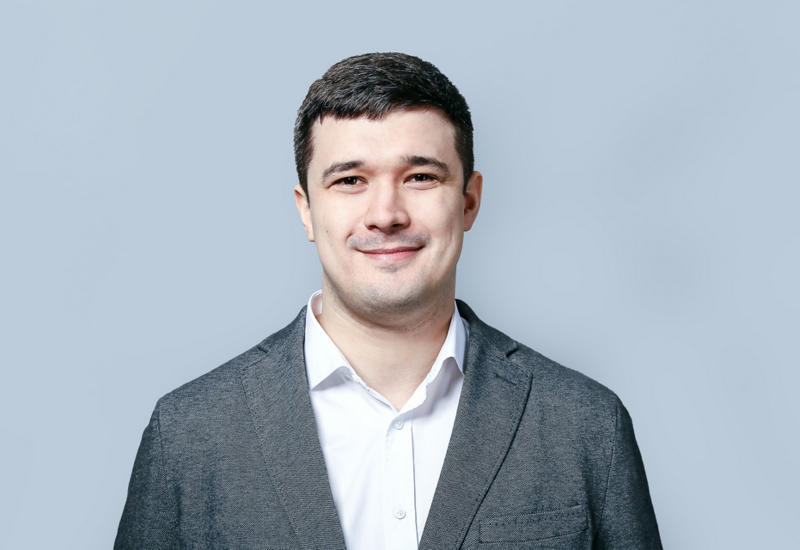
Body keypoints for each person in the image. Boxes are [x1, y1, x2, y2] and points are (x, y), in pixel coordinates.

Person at [115, 52, 663, 550]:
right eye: (350, 180)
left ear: (469, 201)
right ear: (306, 210)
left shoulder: (586, 426)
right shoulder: (189, 434)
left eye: (420, 177)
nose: (386, 214)